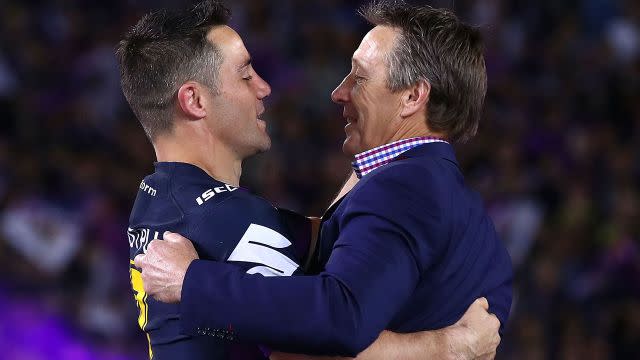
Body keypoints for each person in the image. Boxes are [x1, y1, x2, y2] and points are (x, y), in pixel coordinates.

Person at [119, 1, 501, 359]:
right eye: (246, 74)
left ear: (413, 97)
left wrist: (367, 164)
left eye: (360, 77)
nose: (264, 87)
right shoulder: (222, 220)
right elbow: (327, 340)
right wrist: (451, 345)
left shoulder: (160, 200)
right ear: (195, 101)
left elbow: (327, 240)